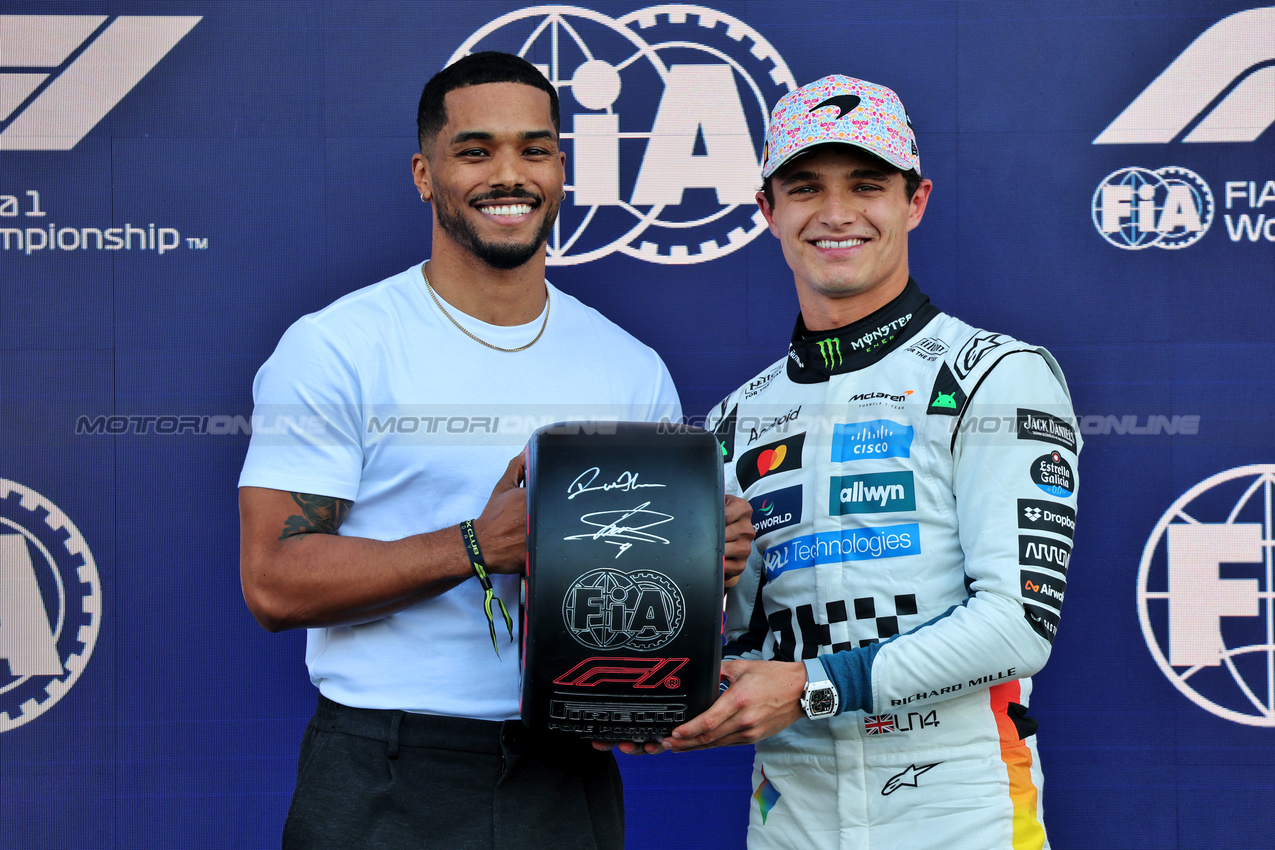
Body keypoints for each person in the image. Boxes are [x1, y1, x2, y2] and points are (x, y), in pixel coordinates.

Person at [238, 51, 752, 850]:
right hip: (387, 767)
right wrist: (480, 544)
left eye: (533, 149)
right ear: (423, 172)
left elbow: (644, 599)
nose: (508, 174)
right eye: (475, 150)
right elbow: (273, 582)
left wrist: (699, 558)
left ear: (560, 167)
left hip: (564, 772)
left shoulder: (626, 365)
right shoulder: (337, 347)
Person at [665, 75, 1081, 850]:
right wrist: (650, 691)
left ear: (914, 201)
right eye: (803, 188)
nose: (835, 213)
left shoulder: (992, 373)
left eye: (866, 185)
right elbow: (739, 640)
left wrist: (817, 687)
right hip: (790, 818)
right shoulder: (733, 420)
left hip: (961, 810)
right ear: (768, 212)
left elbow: (1017, 626)